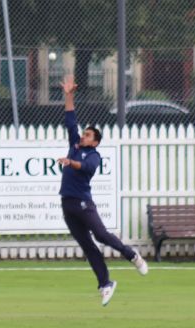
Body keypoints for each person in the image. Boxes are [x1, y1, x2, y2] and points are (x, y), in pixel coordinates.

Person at [57, 75, 148, 307]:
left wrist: (70, 163)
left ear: (95, 142)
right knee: (87, 246)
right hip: (68, 204)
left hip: (83, 204)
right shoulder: (74, 145)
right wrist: (69, 95)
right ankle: (105, 283)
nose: (83, 136)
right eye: (84, 133)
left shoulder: (94, 155)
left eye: (88, 135)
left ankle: (132, 255)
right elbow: (70, 120)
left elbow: (85, 167)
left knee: (100, 235)